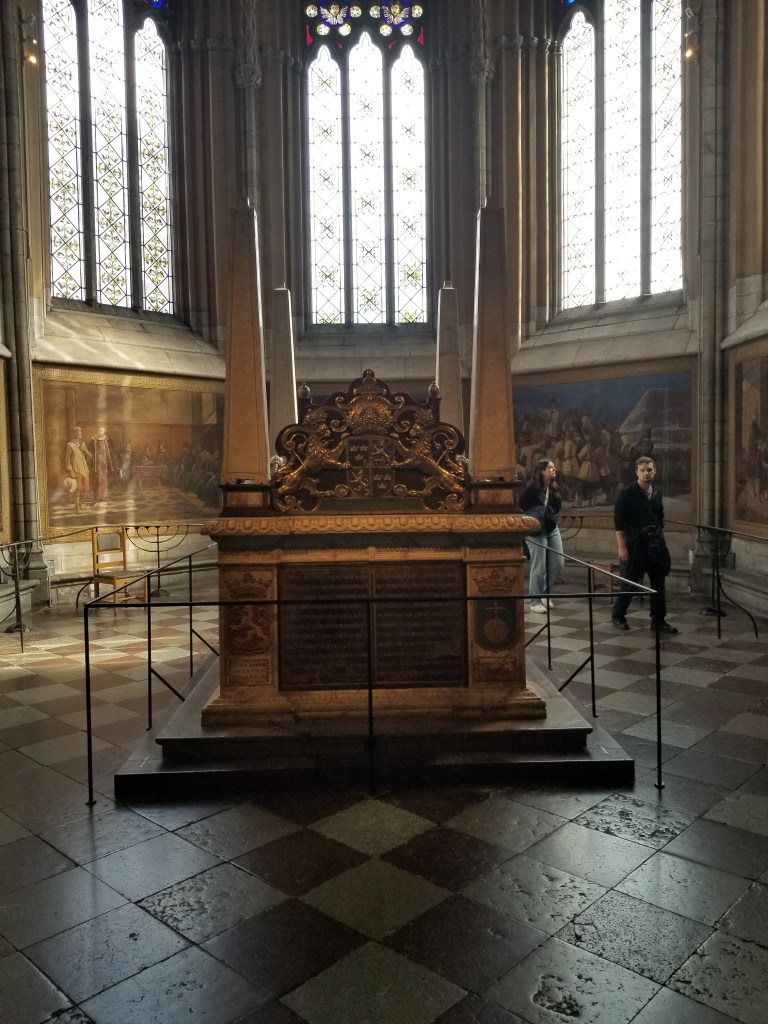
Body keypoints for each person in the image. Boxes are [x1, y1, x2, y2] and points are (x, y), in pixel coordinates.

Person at [611, 456, 677, 634]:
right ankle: (618, 615)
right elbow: (618, 522)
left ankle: (658, 620)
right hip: (635, 544)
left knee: (658, 583)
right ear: (637, 472)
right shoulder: (627, 493)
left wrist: (662, 542)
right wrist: (622, 547)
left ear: (654, 471)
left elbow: (659, 519)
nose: (646, 473)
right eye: (643, 470)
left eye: (649, 469)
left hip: (655, 543)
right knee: (630, 583)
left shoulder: (656, 493)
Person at [519, 458, 564, 614]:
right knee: (539, 566)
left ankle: (546, 594)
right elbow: (520, 507)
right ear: (541, 471)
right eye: (550, 467)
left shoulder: (554, 488)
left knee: (558, 562)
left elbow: (556, 507)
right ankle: (535, 600)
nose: (554, 469)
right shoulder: (531, 489)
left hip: (551, 528)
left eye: (553, 467)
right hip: (535, 530)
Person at [64, 425, 92, 513]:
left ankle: (80, 505)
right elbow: (67, 459)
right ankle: (77, 509)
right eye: (78, 431)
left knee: (85, 489)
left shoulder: (83, 443)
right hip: (76, 469)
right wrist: (71, 471)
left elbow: (90, 456)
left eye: (81, 431)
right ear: (74, 433)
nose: (81, 432)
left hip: (84, 469)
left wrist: (85, 451)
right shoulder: (70, 445)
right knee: (78, 490)